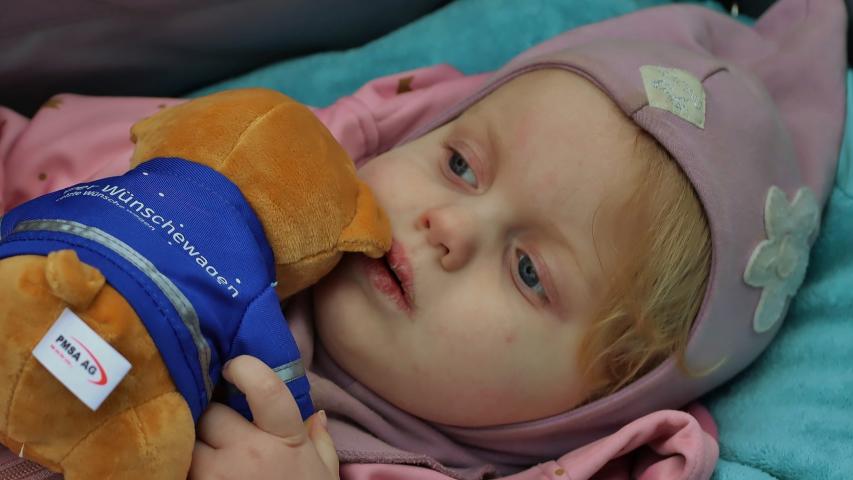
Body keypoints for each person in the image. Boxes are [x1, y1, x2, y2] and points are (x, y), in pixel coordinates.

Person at [0, 0, 846, 479]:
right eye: (459, 164)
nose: (448, 227)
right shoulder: (226, 187)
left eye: (528, 270)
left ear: (599, 399)